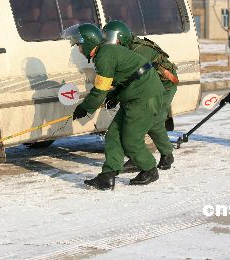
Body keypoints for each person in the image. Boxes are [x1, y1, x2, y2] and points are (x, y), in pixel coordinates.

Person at [69, 23, 165, 190]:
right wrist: (113, 96)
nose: (79, 49)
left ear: (89, 42)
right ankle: (108, 176)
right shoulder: (105, 52)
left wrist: (85, 107)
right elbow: (126, 76)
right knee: (113, 134)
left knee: (130, 140)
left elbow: (99, 90)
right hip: (135, 94)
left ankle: (150, 169)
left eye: (79, 45)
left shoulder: (104, 55)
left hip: (143, 96)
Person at [102, 20, 177, 171]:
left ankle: (166, 154)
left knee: (152, 121)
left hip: (164, 85)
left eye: (111, 38)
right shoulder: (124, 49)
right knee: (135, 120)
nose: (108, 42)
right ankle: (136, 156)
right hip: (146, 86)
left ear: (121, 38)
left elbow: (134, 80)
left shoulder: (138, 51)